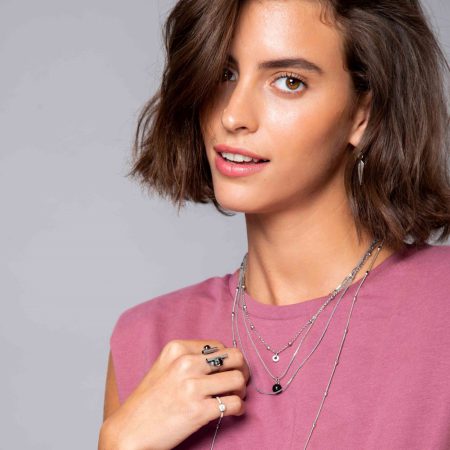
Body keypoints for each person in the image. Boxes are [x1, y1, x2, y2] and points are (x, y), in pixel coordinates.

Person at [98, 0, 450, 449]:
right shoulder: (147, 339)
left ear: (363, 113)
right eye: (225, 73)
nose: (233, 116)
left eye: (289, 81)